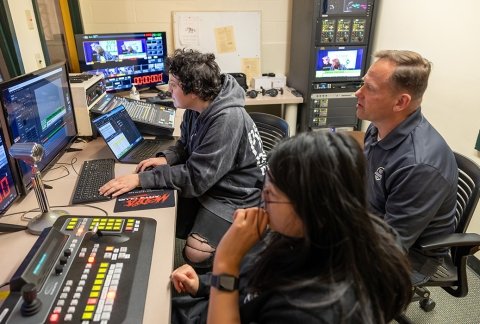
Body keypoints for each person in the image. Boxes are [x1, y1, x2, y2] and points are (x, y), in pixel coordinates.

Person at [170, 131, 413, 324]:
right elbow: (255, 276)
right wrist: (205, 283)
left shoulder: (312, 310)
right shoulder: (309, 232)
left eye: (270, 195)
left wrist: (225, 262)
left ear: (309, 207)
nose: (262, 202)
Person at [99, 49, 266, 270]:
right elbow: (185, 145)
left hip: (237, 194)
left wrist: (141, 180)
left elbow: (196, 178)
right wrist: (168, 159)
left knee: (196, 251)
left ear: (194, 90)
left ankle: (215, 277)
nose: (169, 89)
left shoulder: (227, 119)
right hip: (214, 181)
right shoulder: (195, 108)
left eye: (174, 84)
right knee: (154, 209)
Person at [355, 50, 458, 285]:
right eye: (363, 84)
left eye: (369, 88)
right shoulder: (378, 128)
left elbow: (390, 247)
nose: (358, 93)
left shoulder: (418, 165)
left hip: (409, 258)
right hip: (373, 224)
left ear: (400, 102)